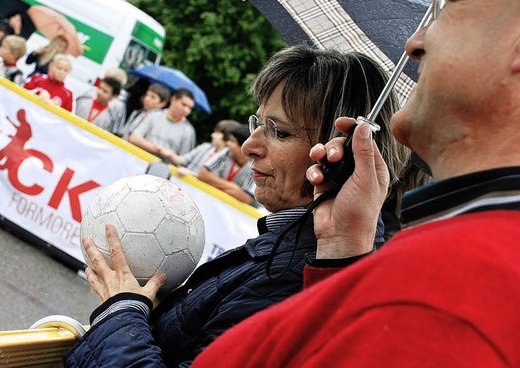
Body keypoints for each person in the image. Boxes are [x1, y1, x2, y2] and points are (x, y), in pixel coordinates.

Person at [190, 0, 520, 366]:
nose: (414, 44)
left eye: (451, 3)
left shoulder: (450, 292)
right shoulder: (451, 266)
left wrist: (123, 310)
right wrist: (342, 251)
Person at [63, 45, 407, 368]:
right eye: (259, 123)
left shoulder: (293, 277)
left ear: (341, 156)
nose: (249, 146)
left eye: (281, 132)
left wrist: (119, 312)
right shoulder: (288, 249)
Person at [196, 123, 257, 206]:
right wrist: (232, 187)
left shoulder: (256, 166)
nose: (227, 143)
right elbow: (203, 174)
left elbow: (246, 198)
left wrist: (213, 183)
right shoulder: (226, 152)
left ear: (244, 148)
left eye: (232, 141)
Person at [127, 88, 197, 159]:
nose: (186, 110)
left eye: (190, 108)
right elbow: (133, 138)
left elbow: (183, 160)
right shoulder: (153, 115)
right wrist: (157, 150)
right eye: (183, 105)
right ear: (173, 99)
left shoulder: (188, 131)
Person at [173, 119, 239, 177]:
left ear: (227, 136)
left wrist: (191, 174)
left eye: (217, 133)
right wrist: (168, 153)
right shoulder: (205, 147)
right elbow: (182, 160)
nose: (212, 135)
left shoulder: (228, 161)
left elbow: (213, 181)